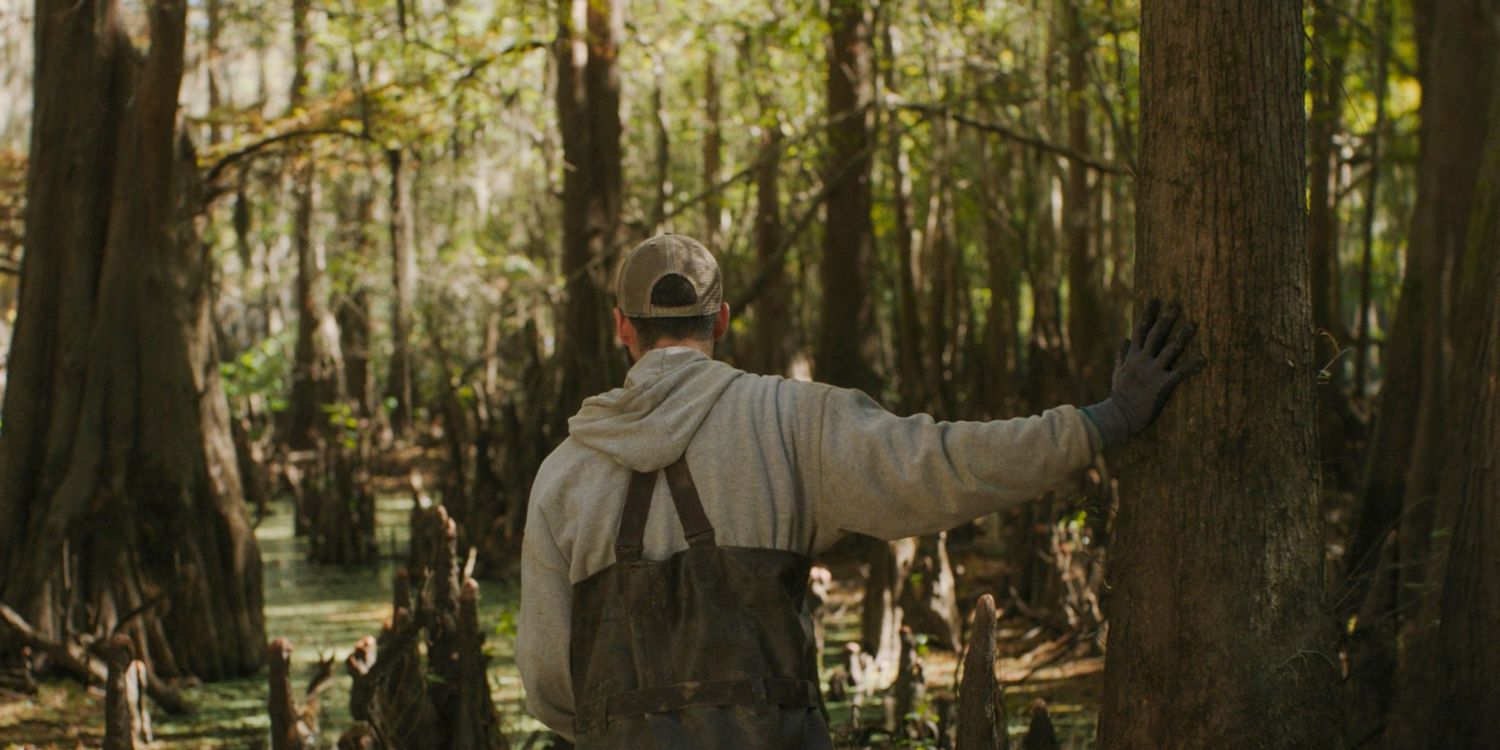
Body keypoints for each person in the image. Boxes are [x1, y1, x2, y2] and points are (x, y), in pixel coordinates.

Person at [517, 233, 1203, 748]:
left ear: (621, 327)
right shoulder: (791, 420)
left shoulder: (563, 473)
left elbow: (549, 679)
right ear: (721, 320)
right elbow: (949, 465)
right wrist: (1105, 420)